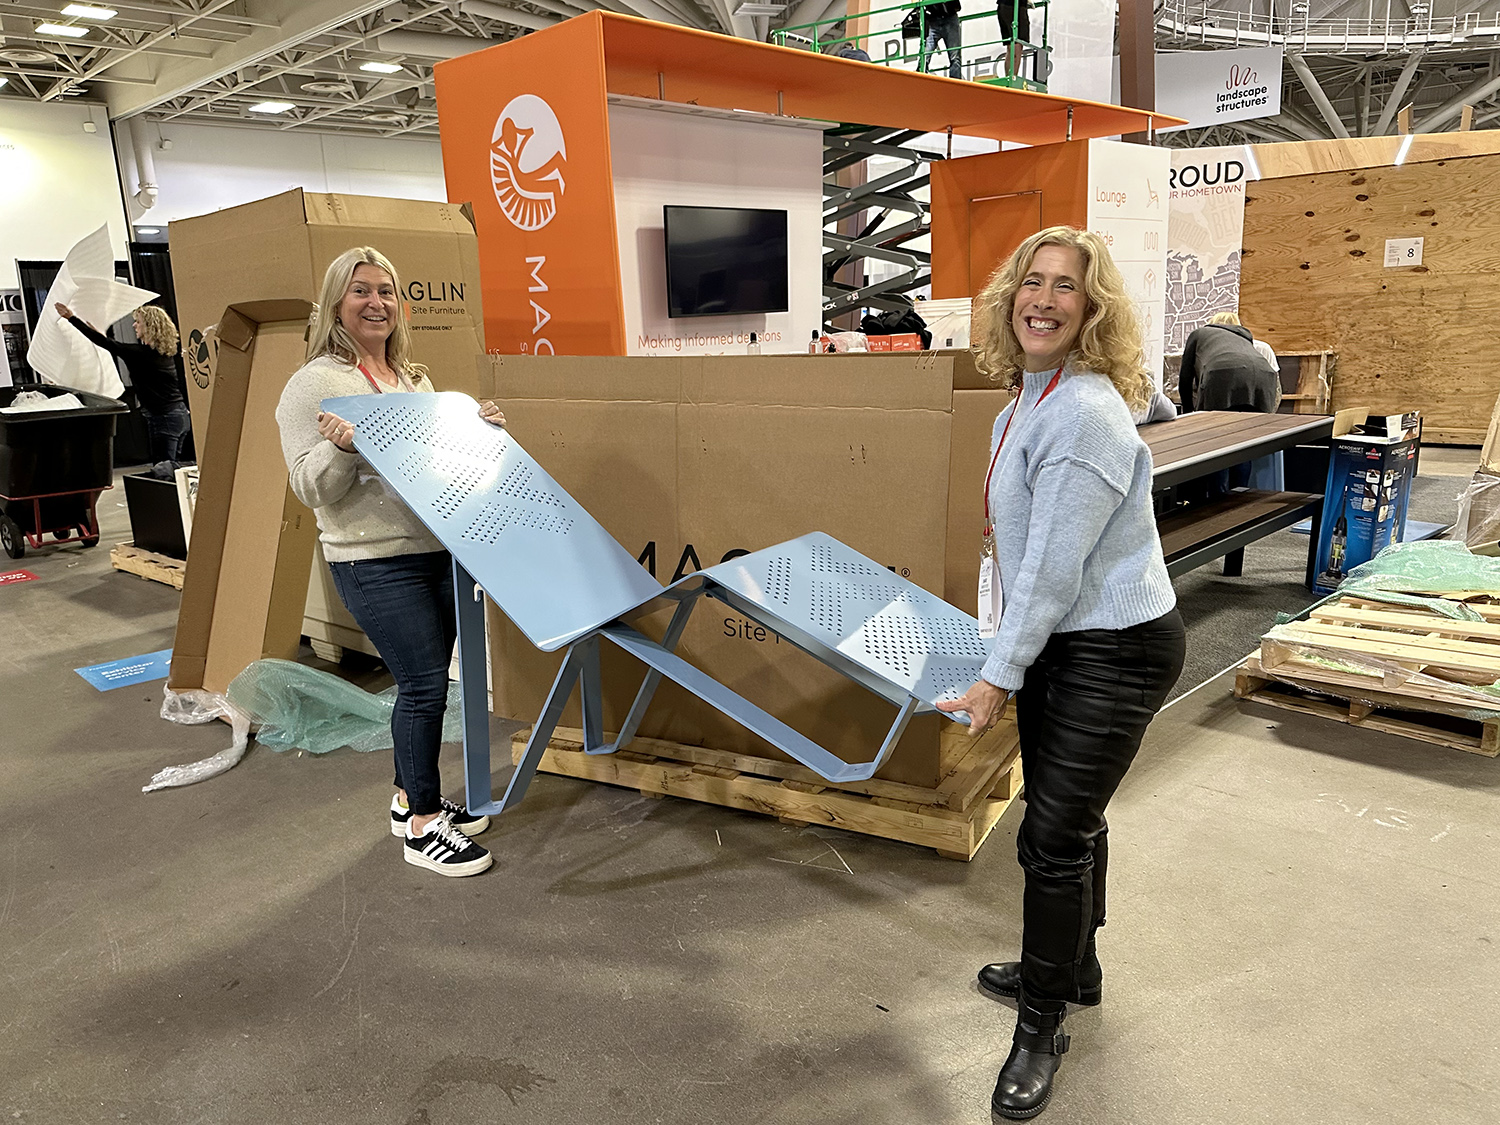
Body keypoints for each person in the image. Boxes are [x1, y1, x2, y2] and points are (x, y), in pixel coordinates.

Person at [935, 226, 1186, 1120]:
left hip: (1115, 646)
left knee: (1049, 839)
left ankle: (1040, 1030)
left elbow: (1051, 571)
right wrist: (1007, 646)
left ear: (1093, 310)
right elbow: (1023, 556)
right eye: (1031, 282)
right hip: (1070, 640)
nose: (1042, 300)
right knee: (1068, 819)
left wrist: (997, 674)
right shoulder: (1024, 400)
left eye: (1065, 287)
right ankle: (1075, 970)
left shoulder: (1082, 413)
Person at [276, 246, 508, 879]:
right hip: (374, 560)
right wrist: (342, 449)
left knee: (429, 684)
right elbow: (309, 488)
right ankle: (424, 827)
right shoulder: (313, 385)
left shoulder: (412, 380)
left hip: (438, 551)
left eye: (386, 291)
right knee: (424, 685)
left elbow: (435, 464)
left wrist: (476, 428)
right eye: (361, 291)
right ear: (335, 303)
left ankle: (410, 799)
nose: (375, 302)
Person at [55, 302, 191, 465]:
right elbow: (109, 343)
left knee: (164, 468)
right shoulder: (163, 354)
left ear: (150, 327)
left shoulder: (140, 354)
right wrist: (101, 337)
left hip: (165, 418)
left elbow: (106, 344)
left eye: (138, 322)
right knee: (171, 467)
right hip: (179, 414)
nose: (134, 325)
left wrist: (71, 318)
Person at [1180, 311, 1282, 489]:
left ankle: (1217, 498)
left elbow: (1185, 379)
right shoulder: (1244, 338)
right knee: (1242, 444)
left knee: (1216, 443)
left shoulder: (1198, 334)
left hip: (1222, 374)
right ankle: (1239, 495)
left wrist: (1188, 418)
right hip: (1264, 377)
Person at [919, 0, 963, 79]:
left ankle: (955, 83)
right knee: (925, 55)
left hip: (949, 18)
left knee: (954, 56)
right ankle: (920, 79)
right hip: (934, 19)